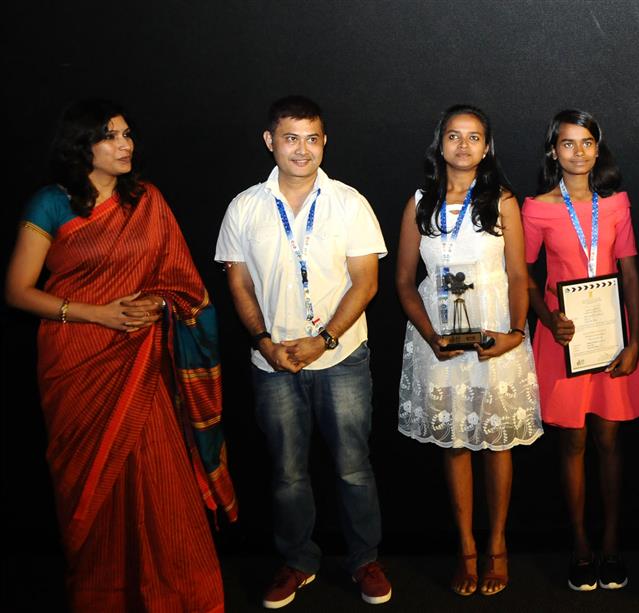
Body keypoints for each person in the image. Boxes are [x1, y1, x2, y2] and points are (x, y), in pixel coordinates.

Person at [5, 99, 237, 612]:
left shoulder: (147, 200)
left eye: (128, 133)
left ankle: (180, 596)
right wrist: (97, 314)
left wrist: (159, 302)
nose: (125, 144)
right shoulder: (51, 203)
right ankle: (104, 596)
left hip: (142, 361)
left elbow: (182, 284)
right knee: (92, 485)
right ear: (81, 144)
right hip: (77, 360)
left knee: (161, 481)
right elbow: (18, 290)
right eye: (110, 135)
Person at [215, 96, 391, 608]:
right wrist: (264, 342)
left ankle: (364, 561)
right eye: (290, 138)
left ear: (324, 142)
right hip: (272, 364)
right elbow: (239, 284)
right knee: (288, 472)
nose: (302, 149)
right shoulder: (245, 206)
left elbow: (367, 283)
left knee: (354, 467)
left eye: (312, 138)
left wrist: (325, 340)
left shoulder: (349, 202)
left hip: (341, 360)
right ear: (270, 141)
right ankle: (298, 560)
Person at [395, 104, 542, 597]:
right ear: (440, 144)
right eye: (454, 136)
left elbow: (520, 276)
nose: (463, 146)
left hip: (495, 340)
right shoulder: (419, 202)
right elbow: (403, 282)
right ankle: (466, 550)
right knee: (456, 443)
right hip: (439, 344)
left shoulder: (502, 201)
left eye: (474, 137)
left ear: (487, 147)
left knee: (496, 443)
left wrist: (516, 332)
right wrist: (429, 334)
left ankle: (497, 546)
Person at [523, 109, 639, 591]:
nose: (577, 152)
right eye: (567, 143)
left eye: (586, 143)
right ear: (553, 151)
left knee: (610, 441)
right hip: (566, 337)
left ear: (598, 149)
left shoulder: (616, 203)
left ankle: (612, 544)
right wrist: (546, 316)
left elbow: (632, 274)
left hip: (612, 335)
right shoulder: (536, 208)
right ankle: (580, 545)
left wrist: (637, 338)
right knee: (573, 442)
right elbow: (527, 277)